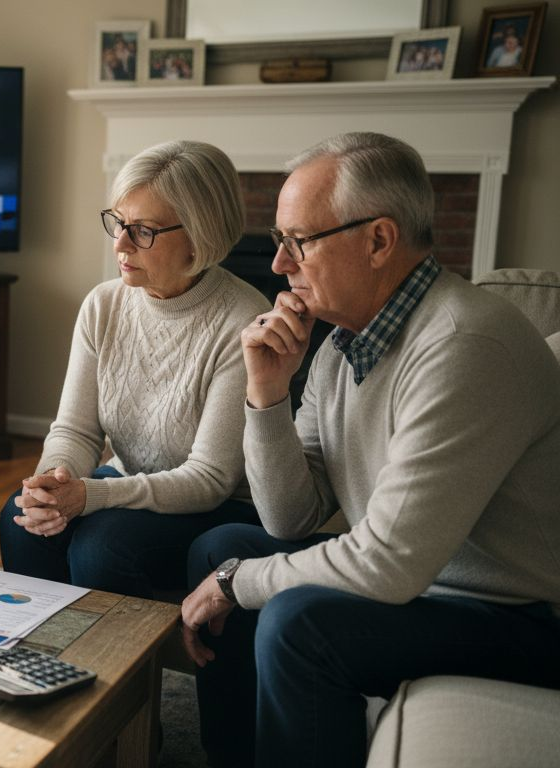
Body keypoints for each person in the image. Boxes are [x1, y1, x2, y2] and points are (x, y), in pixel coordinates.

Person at [180, 132, 560, 768]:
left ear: (379, 240)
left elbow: (386, 562)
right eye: (278, 242)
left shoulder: (465, 344)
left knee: (295, 621)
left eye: (298, 241)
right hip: (431, 586)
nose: (278, 265)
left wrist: (237, 584)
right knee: (223, 546)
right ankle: (235, 756)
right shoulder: (339, 346)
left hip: (520, 617)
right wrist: (267, 394)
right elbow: (288, 520)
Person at [0, 140, 270, 600]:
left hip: (223, 505)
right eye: (119, 223)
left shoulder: (243, 319)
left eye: (142, 231)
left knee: (103, 548)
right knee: (21, 519)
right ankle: (42, 658)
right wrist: (53, 485)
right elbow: (76, 431)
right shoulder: (103, 304)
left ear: (199, 235)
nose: (120, 244)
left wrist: (90, 495)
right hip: (129, 479)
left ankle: (121, 667)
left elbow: (209, 479)